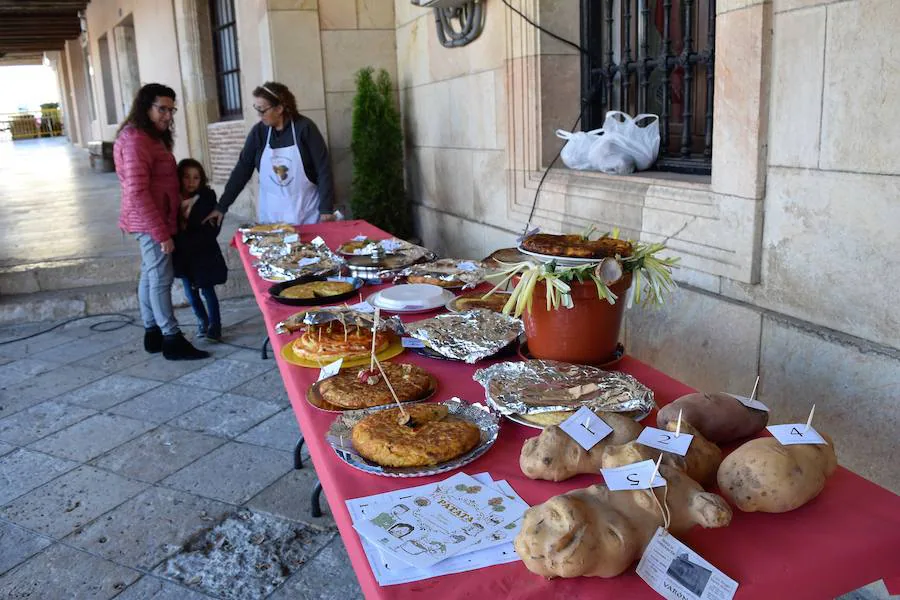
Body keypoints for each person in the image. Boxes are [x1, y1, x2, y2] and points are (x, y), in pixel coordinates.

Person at [114, 83, 209, 361]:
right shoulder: (135, 140)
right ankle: (171, 339)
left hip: (155, 218)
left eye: (171, 110)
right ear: (146, 107)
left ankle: (153, 332)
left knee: (149, 274)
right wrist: (161, 233)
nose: (168, 116)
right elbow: (137, 191)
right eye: (162, 109)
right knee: (160, 278)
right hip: (149, 221)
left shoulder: (147, 136)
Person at [203, 81, 336, 227]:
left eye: (262, 110)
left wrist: (326, 208)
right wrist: (222, 206)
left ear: (279, 108)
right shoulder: (259, 133)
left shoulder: (304, 128)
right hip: (272, 216)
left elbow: (323, 169)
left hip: (306, 213)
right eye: (257, 109)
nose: (259, 115)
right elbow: (242, 170)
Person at [173, 159, 227, 342]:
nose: (191, 182)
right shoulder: (174, 199)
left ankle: (215, 326)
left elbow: (212, 227)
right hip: (183, 257)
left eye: (196, 178)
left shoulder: (207, 198)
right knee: (190, 293)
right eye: (186, 177)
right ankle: (202, 322)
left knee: (207, 291)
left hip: (203, 254)